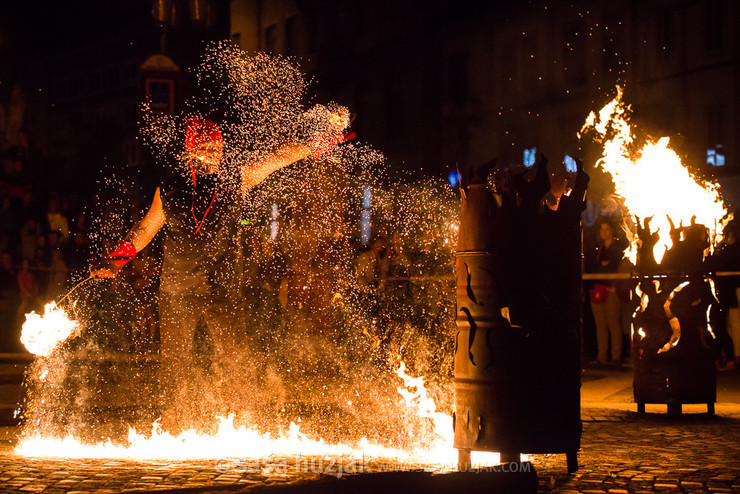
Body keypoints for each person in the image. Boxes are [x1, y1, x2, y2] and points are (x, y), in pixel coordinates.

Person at [91, 110, 351, 431]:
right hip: (177, 290)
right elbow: (145, 229)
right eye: (207, 151)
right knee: (175, 363)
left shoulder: (234, 179)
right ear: (190, 151)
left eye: (218, 150)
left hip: (221, 289)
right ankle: (172, 423)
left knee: (236, 359)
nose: (215, 156)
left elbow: (278, 157)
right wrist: (116, 261)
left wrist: (315, 145)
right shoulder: (169, 188)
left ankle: (244, 422)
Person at [588, 218, 626, 365]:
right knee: (600, 325)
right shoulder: (599, 249)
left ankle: (616, 356)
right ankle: (601, 357)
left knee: (613, 323)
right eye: (602, 230)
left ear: (612, 230)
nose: (604, 232)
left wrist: (615, 284)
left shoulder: (618, 249)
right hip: (598, 289)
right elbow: (595, 267)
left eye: (607, 229)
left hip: (612, 290)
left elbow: (618, 267)